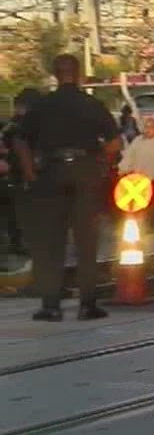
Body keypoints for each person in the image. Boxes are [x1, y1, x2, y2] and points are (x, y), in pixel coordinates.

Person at [13, 53, 122, 322]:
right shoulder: (92, 104)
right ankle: (87, 305)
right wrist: (101, 165)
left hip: (50, 173)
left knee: (51, 243)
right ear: (80, 74)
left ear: (55, 75)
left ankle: (51, 305)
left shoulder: (41, 105)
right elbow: (115, 142)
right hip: (85, 172)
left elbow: (20, 140)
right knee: (86, 242)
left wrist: (30, 173)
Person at [2, 88, 43, 264]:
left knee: (17, 209)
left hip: (17, 172)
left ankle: (19, 241)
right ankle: (21, 241)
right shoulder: (20, 125)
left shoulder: (15, 125)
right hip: (21, 172)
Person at [118, 116, 154, 234]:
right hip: (137, 178)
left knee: (153, 205)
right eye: (146, 127)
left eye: (151, 127)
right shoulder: (138, 141)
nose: (148, 130)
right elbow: (129, 156)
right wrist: (123, 169)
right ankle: (143, 226)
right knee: (140, 203)